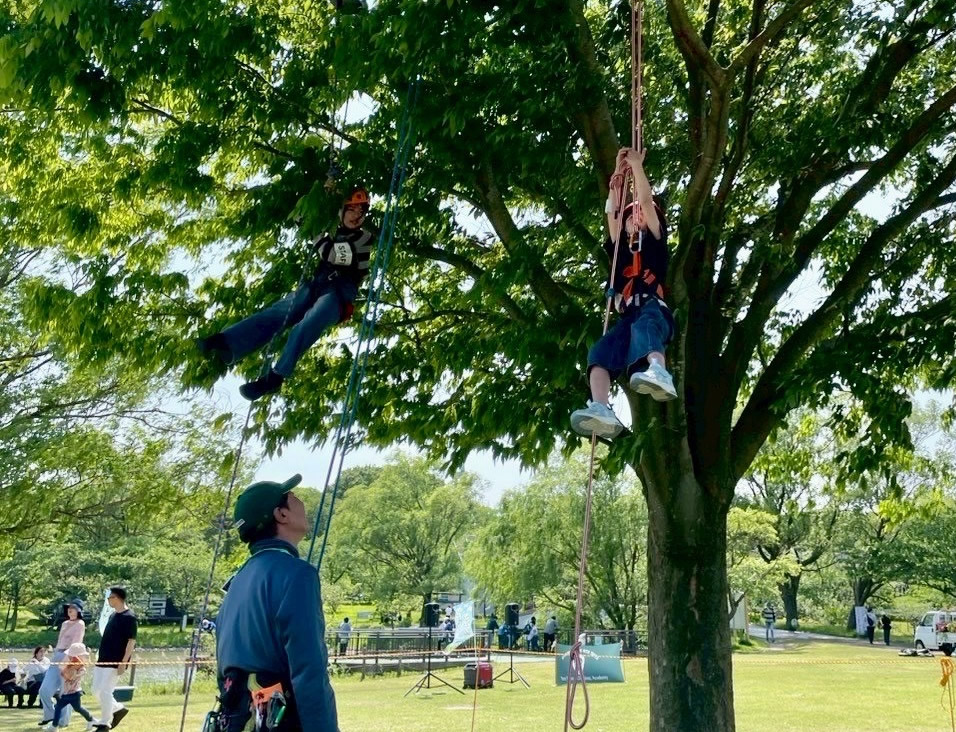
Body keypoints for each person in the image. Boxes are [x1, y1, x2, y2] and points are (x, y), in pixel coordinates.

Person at [198, 187, 375, 401]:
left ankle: (275, 377)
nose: (357, 216)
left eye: (361, 212)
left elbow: (331, 254)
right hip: (316, 285)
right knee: (277, 313)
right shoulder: (332, 229)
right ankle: (227, 341)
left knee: (308, 324)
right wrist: (322, 198)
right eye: (352, 210)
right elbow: (302, 217)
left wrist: (314, 230)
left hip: (338, 293)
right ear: (342, 211)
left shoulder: (363, 239)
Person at [216, 474, 338, 731]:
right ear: (281, 515)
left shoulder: (237, 581)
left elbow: (223, 669)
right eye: (292, 497)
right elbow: (308, 671)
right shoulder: (296, 574)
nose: (300, 500)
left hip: (236, 719)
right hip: (280, 719)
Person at [571, 148, 676, 439]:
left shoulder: (655, 240)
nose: (636, 216)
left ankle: (658, 370)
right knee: (600, 352)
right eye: (632, 216)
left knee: (646, 326)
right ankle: (601, 407)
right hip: (628, 317)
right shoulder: (620, 251)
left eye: (642, 214)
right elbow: (613, 216)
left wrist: (637, 168)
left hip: (653, 309)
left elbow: (643, 200)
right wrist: (616, 183)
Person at [92, 586, 137, 730]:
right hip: (103, 658)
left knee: (106, 691)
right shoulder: (112, 615)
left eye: (110, 597)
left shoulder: (129, 617)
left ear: (117, 598)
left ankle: (105, 722)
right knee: (96, 691)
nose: (108, 600)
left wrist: (123, 662)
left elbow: (131, 642)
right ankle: (118, 709)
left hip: (115, 661)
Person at [39, 599, 86, 726]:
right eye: (69, 607)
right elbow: (60, 641)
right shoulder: (64, 623)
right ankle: (50, 716)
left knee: (66, 691)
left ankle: (62, 722)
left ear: (79, 611)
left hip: (69, 656)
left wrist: (68, 660)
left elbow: (76, 644)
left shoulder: (80, 624)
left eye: (73, 608)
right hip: (57, 655)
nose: (70, 609)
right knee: (44, 690)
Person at [43, 642, 95, 730]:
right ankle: (91, 720)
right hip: (67, 692)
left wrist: (73, 670)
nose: (70, 657)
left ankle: (54, 726)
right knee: (75, 708)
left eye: (72, 656)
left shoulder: (81, 668)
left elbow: (72, 677)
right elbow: (63, 672)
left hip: (74, 692)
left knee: (69, 708)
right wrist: (67, 667)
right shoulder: (69, 665)